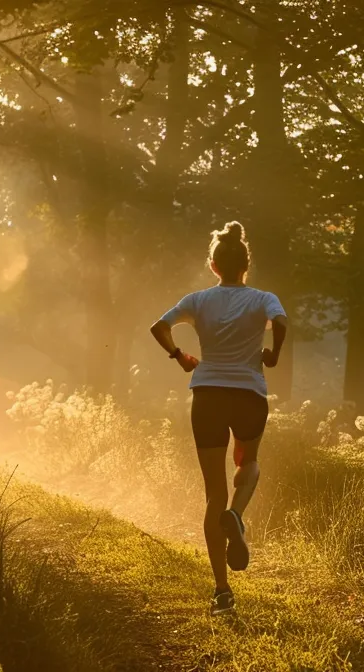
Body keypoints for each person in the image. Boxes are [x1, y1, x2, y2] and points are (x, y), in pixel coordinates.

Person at [149, 221, 287, 616]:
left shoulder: (198, 299)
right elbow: (281, 323)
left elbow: (158, 327)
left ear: (213, 265)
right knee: (249, 461)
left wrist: (181, 356)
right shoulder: (263, 298)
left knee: (213, 493)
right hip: (248, 395)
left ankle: (222, 592)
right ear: (247, 264)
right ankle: (237, 515)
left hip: (207, 394)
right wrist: (273, 355)